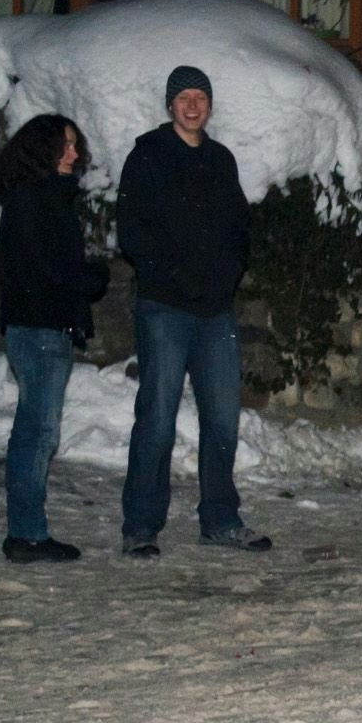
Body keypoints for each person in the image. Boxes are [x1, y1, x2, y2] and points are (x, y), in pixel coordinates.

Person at [116, 65, 270, 557]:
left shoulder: (221, 160)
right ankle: (141, 525)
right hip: (165, 307)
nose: (191, 104)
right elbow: (132, 231)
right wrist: (167, 275)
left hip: (216, 311)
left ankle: (220, 520)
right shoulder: (148, 155)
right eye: (183, 96)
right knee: (157, 418)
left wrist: (230, 272)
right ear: (169, 105)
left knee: (223, 420)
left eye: (199, 96)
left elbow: (238, 227)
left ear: (209, 105)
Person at [0, 114, 108, 562]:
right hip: (39, 329)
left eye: (75, 145)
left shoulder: (45, 198)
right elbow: (46, 271)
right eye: (65, 145)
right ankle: (26, 533)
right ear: (43, 150)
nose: (75, 154)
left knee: (37, 430)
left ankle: (27, 530)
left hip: (44, 328)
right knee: (36, 433)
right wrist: (91, 277)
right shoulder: (33, 200)